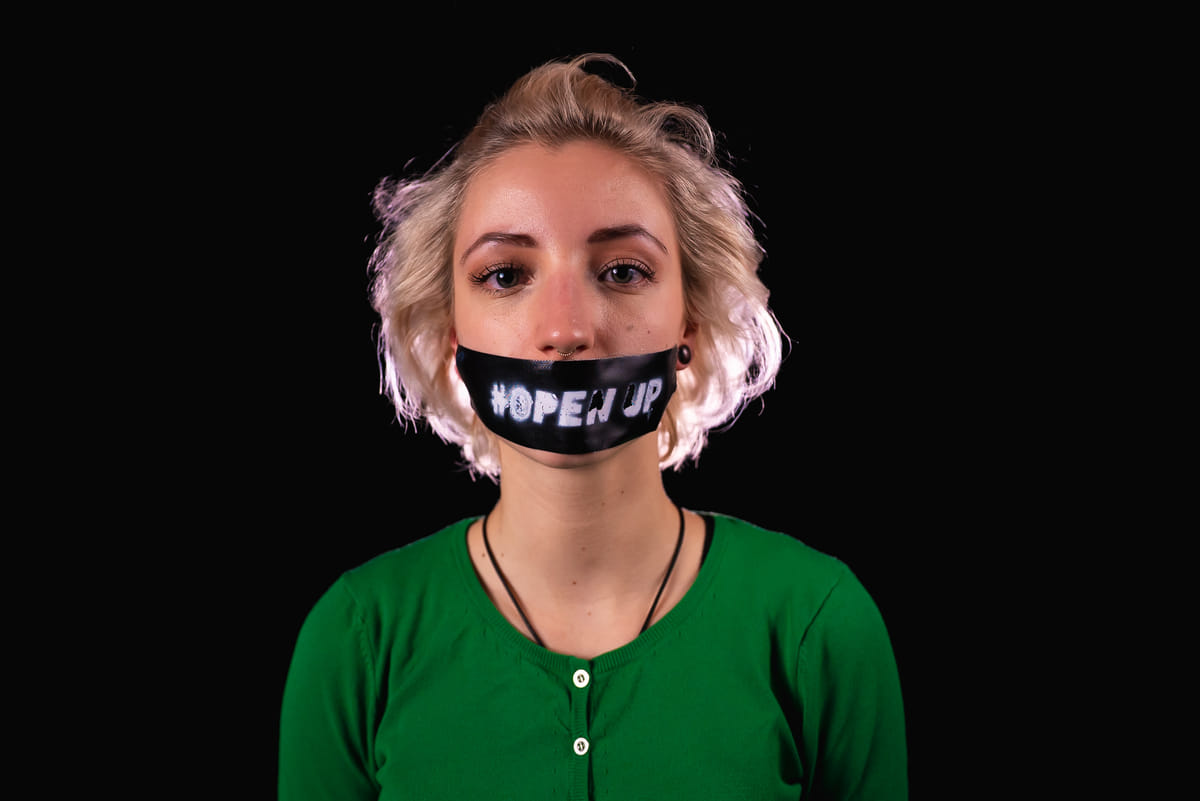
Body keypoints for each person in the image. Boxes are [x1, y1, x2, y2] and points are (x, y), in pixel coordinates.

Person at [279, 53, 907, 800]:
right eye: (505, 275)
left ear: (689, 321)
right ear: (450, 333)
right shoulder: (358, 637)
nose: (565, 330)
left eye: (622, 272)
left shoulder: (816, 623)